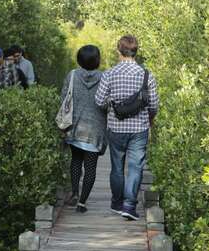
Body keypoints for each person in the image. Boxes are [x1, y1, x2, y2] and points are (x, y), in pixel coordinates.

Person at [95, 35, 159, 221]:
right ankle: (129, 206)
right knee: (135, 167)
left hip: (115, 127)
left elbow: (99, 101)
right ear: (136, 52)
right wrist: (150, 120)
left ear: (118, 51)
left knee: (116, 166)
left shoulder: (109, 73)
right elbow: (153, 105)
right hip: (139, 128)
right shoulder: (146, 75)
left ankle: (116, 203)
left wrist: (112, 105)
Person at [61, 45, 107, 214]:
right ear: (97, 61)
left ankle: (74, 192)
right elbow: (107, 102)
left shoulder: (72, 75)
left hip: (75, 127)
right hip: (95, 131)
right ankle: (82, 202)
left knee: (75, 161)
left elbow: (64, 98)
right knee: (91, 167)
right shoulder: (104, 77)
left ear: (79, 60)